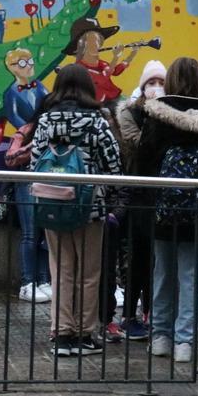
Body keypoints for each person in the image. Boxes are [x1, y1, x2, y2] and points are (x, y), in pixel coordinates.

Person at [135, 57, 198, 365]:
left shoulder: (156, 114)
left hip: (164, 209)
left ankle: (160, 336)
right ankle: (185, 342)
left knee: (163, 272)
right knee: (195, 276)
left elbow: (144, 162)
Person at [27, 64, 123, 356]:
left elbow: (34, 162)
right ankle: (83, 334)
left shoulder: (46, 119)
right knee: (89, 271)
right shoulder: (96, 120)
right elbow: (114, 163)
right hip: (89, 206)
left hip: (52, 202)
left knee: (61, 268)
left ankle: (61, 334)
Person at [111, 59, 167, 341]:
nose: (156, 88)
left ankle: (152, 313)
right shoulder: (131, 114)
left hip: (162, 195)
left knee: (158, 260)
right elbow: (139, 147)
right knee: (137, 258)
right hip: (138, 194)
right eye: (151, 83)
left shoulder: (172, 114)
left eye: (161, 82)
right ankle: (130, 315)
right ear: (143, 87)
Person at [4, 48, 51, 304]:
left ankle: (44, 278)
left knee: (44, 231)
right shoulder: (11, 92)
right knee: (31, 231)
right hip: (26, 172)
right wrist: (34, 127)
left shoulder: (41, 87)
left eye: (30, 61)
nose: (28, 65)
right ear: (12, 66)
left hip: (45, 173)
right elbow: (14, 117)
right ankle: (27, 281)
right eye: (23, 62)